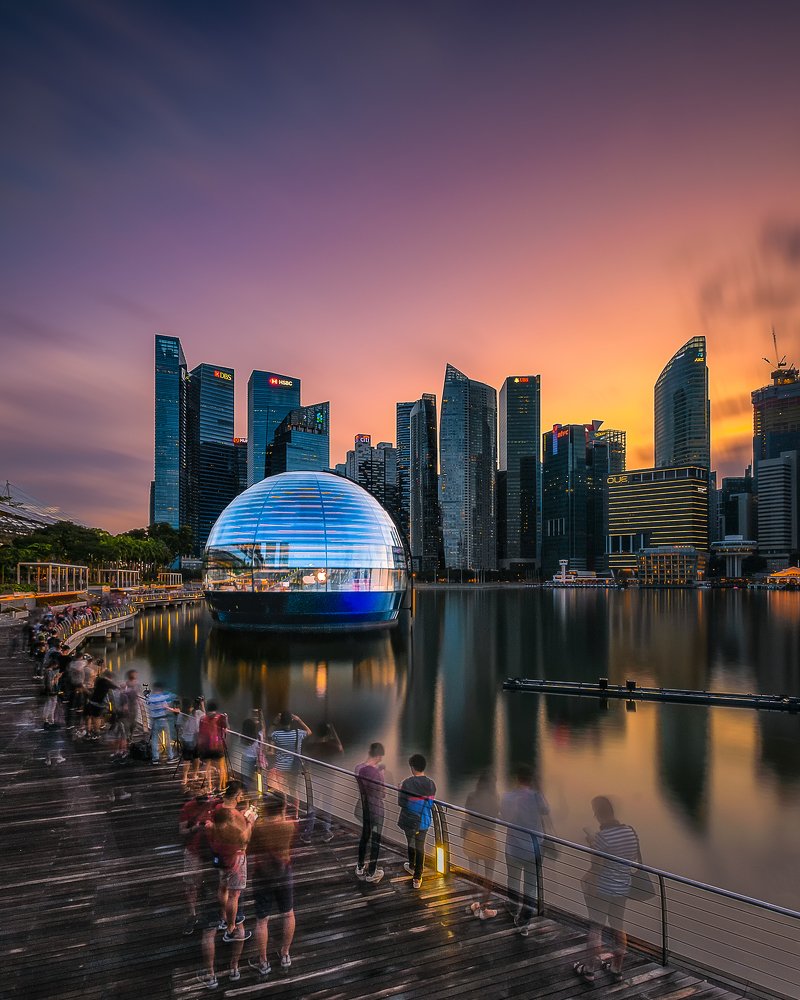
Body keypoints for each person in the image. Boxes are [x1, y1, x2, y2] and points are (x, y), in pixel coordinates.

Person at [574, 796, 642, 985]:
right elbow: (633, 859)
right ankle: (617, 969)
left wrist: (592, 845)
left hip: (603, 888)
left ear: (597, 815)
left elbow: (596, 866)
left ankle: (589, 970)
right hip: (622, 887)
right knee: (618, 926)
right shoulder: (630, 831)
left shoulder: (602, 837)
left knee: (596, 927)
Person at [248, 793, 297, 978]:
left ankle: (263, 961)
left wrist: (251, 823)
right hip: (284, 872)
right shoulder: (289, 825)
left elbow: (249, 848)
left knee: (262, 920)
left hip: (262, 875)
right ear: (282, 808)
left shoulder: (259, 828)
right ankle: (285, 954)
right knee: (288, 913)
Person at [500, 764, 549, 936]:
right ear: (531, 780)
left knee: (513, 879)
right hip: (534, 848)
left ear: (517, 779)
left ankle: (513, 907)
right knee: (531, 886)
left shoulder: (508, 797)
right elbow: (546, 811)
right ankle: (524, 921)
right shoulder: (537, 797)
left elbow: (504, 816)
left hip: (513, 846)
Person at [209, 780, 256, 939]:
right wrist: (250, 822)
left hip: (220, 853)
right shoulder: (236, 815)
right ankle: (231, 928)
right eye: (241, 795)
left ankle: (223, 918)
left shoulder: (217, 808)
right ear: (236, 795)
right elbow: (245, 840)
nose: (241, 798)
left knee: (223, 886)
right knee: (234, 894)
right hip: (235, 857)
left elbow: (226, 827)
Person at [179, 791, 220, 936]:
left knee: (216, 884)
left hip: (211, 851)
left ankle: (217, 915)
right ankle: (193, 914)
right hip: (194, 851)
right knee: (190, 885)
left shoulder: (216, 804)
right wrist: (195, 828)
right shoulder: (188, 807)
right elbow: (182, 831)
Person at [462, 771, 500, 919]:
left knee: (473, 873)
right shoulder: (494, 799)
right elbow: (497, 816)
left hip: (472, 836)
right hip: (488, 838)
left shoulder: (471, 796)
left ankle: (475, 903)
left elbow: (468, 815)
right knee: (488, 876)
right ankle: (484, 909)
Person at [398, 753, 436, 889]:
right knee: (421, 847)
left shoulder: (407, 783)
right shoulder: (431, 784)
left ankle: (412, 866)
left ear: (413, 767)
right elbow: (430, 804)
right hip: (424, 820)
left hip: (410, 820)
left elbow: (401, 803)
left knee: (411, 843)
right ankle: (417, 878)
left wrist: (400, 789)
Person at [302, 721, 343, 843]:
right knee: (327, 806)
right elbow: (341, 749)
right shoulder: (331, 746)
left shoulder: (312, 746)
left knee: (312, 806)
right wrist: (334, 732)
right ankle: (326, 832)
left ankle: (308, 834)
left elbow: (304, 753)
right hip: (329, 779)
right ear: (327, 733)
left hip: (315, 778)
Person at [268, 711, 310, 817]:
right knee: (293, 790)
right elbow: (309, 731)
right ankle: (295, 814)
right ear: (291, 720)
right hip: (294, 767)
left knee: (283, 791)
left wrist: (274, 722)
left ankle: (283, 813)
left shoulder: (276, 734)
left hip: (281, 767)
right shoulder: (298, 733)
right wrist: (299, 720)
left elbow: (268, 735)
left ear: (280, 721)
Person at [354, 742, 386, 884]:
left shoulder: (359, 768)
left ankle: (360, 866)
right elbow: (382, 794)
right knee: (375, 841)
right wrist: (382, 774)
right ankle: (372, 872)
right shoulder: (377, 774)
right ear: (378, 756)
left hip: (365, 807)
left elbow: (364, 779)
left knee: (364, 837)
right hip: (377, 810)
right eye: (381, 757)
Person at [199, 701, 229, 792]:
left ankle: (209, 786)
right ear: (216, 708)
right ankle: (221, 786)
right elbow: (226, 729)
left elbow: (200, 732)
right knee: (221, 767)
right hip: (218, 746)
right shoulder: (220, 717)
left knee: (207, 766)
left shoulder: (203, 718)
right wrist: (226, 719)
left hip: (207, 746)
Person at [147, 681, 178, 764]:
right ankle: (170, 757)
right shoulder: (162, 697)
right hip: (163, 720)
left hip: (154, 720)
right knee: (168, 738)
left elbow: (149, 705)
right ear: (160, 689)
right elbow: (173, 696)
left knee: (154, 740)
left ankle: (155, 758)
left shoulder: (150, 698)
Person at [180, 698, 205, 793]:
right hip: (196, 739)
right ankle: (195, 774)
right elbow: (205, 717)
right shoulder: (198, 713)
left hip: (186, 739)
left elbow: (178, 725)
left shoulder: (182, 714)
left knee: (186, 760)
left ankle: (185, 778)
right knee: (196, 757)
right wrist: (202, 704)